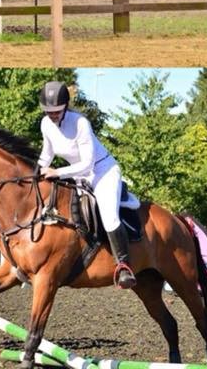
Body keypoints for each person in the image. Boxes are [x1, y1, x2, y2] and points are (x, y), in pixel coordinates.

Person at [37, 81, 137, 288]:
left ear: (65, 107)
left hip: (103, 171)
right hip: (78, 174)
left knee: (109, 216)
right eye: (48, 111)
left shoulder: (80, 122)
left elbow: (87, 164)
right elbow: (47, 154)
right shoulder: (46, 124)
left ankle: (124, 265)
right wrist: (34, 172)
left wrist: (57, 172)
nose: (52, 115)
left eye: (56, 111)